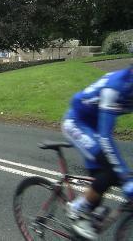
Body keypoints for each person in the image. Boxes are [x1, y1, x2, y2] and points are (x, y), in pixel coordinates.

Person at [62, 67, 133, 240]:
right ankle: (77, 207)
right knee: (111, 170)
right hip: (77, 122)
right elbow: (105, 137)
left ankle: (84, 222)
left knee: (103, 180)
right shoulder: (116, 86)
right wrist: (124, 176)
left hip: (95, 123)